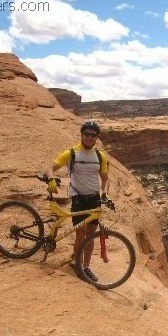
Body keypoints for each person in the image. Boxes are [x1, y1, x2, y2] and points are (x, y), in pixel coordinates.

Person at [46, 121, 110, 282]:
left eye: (93, 135)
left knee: (91, 234)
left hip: (94, 198)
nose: (89, 137)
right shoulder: (72, 153)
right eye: (86, 134)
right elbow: (50, 168)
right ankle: (77, 264)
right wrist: (51, 180)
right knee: (80, 233)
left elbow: (105, 179)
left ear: (97, 138)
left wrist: (105, 194)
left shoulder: (99, 156)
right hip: (78, 198)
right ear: (82, 135)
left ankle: (86, 266)